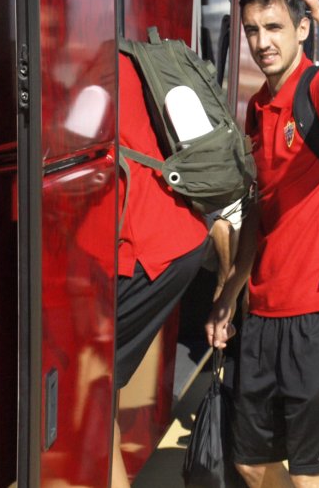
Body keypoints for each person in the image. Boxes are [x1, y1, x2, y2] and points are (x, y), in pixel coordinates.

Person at [207, 0, 319, 488]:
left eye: (275, 27)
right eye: (252, 29)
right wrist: (230, 290)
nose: (262, 41)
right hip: (263, 312)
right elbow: (261, 208)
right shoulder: (257, 109)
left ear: (304, 28)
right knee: (249, 463)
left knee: (312, 473)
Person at [107, 48, 213, 488]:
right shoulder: (128, 56)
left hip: (151, 246)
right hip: (182, 234)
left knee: (93, 382)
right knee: (101, 388)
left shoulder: (91, 65)